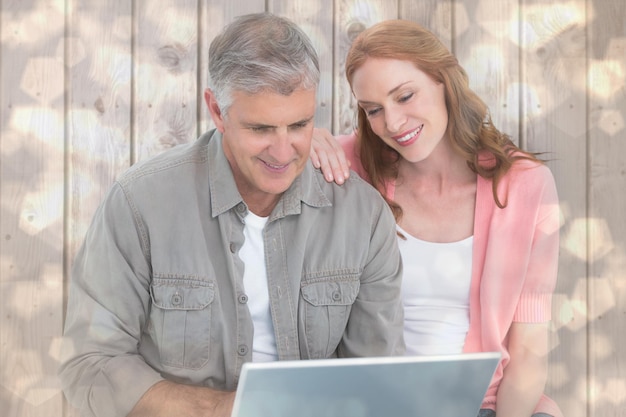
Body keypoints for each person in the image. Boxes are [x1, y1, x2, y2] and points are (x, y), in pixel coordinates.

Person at [58, 13, 405, 417]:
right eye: (260, 129)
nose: (282, 151)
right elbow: (90, 363)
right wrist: (231, 409)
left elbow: (378, 376)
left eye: (299, 125)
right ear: (217, 111)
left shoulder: (362, 217)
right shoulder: (140, 204)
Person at [311, 19, 562, 417]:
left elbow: (529, 350)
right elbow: (259, 147)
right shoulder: (349, 169)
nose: (392, 124)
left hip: (485, 405)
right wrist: (305, 138)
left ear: (445, 81)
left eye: (405, 96)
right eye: (374, 109)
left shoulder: (525, 187)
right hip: (375, 403)